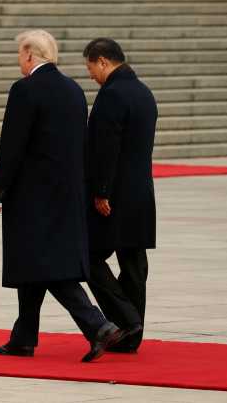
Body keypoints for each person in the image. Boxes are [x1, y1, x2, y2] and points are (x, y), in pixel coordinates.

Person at [0, 30, 124, 362]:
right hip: (66, 194)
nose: (19, 60)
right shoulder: (74, 90)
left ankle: (98, 325)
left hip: (32, 197)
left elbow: (13, 146)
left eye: (19, 54)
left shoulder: (24, 90)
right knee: (34, 263)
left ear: (30, 55)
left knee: (43, 265)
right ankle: (23, 337)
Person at [83, 37, 157, 353]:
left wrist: (100, 191)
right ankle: (131, 336)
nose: (90, 76)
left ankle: (124, 319)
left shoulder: (112, 95)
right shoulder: (143, 93)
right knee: (134, 263)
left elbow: (106, 148)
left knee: (87, 258)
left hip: (114, 197)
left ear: (103, 61)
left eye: (90, 68)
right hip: (141, 193)